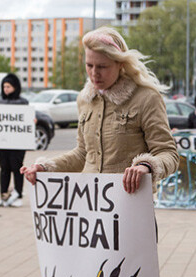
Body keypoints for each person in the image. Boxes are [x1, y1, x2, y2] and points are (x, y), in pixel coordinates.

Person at [21, 27, 179, 195]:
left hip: (132, 205)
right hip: (90, 206)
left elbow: (168, 154)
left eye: (103, 66)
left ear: (120, 64)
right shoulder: (84, 99)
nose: (94, 73)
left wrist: (146, 166)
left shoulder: (147, 98)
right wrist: (45, 167)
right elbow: (83, 154)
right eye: (89, 65)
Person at [0, 73, 29, 207]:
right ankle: (4, 195)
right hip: (2, 142)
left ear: (15, 87)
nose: (6, 89)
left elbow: (28, 117)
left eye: (8, 86)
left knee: (17, 167)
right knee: (4, 168)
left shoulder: (23, 103)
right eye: (4, 86)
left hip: (18, 142)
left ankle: (18, 195)